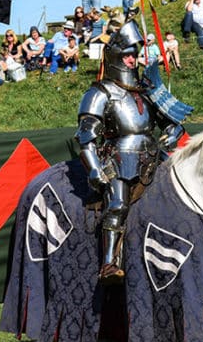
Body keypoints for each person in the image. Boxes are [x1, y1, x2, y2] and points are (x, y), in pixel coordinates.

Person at [75, 19, 187, 283]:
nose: (133, 60)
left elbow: (173, 123)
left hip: (154, 156)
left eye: (135, 55)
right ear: (116, 57)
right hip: (118, 159)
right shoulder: (99, 92)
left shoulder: (146, 90)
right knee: (118, 204)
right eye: (127, 55)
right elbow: (86, 135)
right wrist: (93, 168)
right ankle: (109, 264)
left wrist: (173, 133)